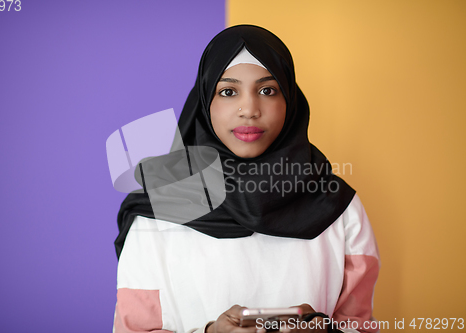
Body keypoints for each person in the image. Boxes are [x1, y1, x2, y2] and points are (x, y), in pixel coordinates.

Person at [113, 25, 380, 333]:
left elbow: (360, 326)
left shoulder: (338, 207)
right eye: (228, 92)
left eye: (267, 90)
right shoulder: (158, 208)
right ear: (205, 102)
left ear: (290, 101)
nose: (250, 110)